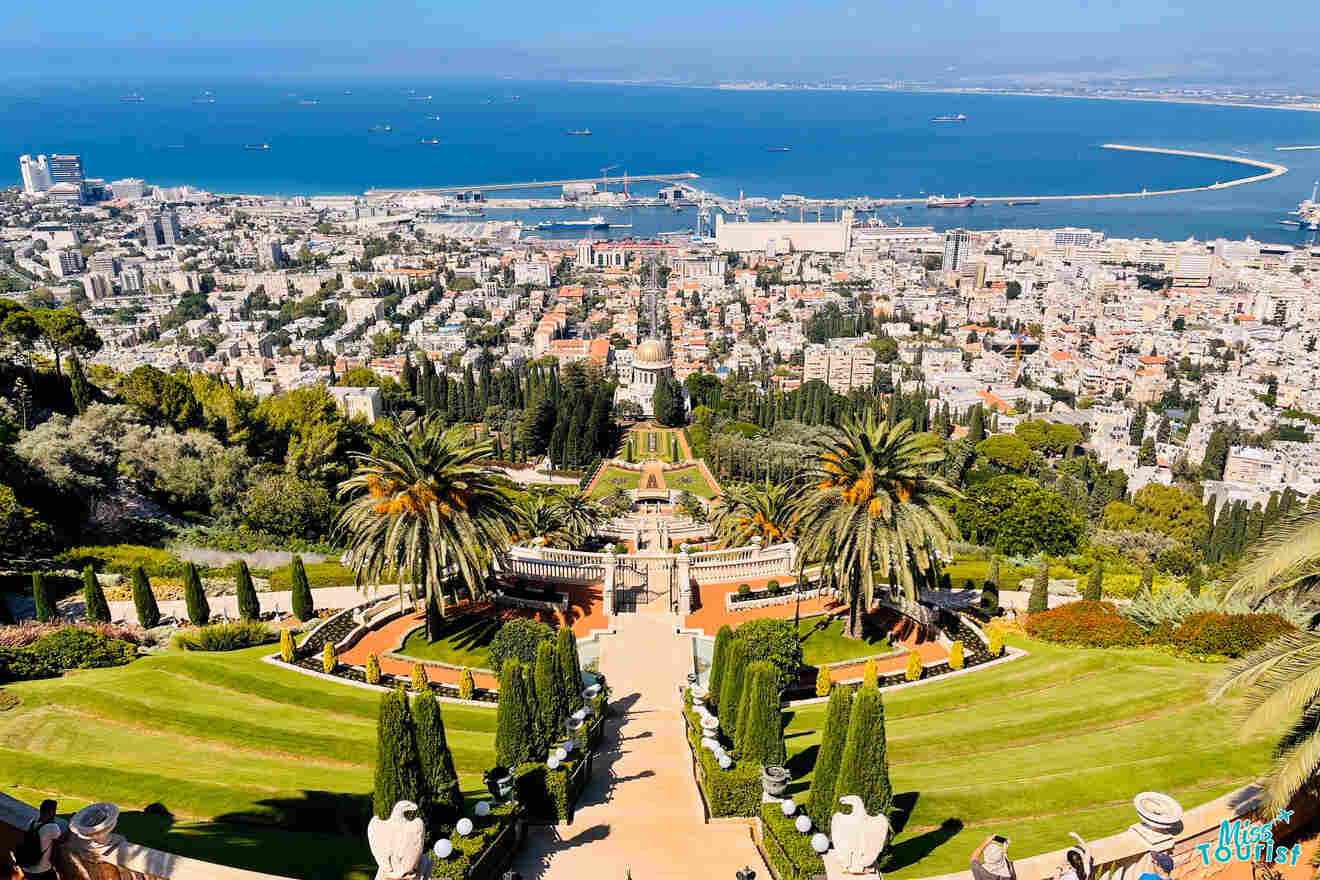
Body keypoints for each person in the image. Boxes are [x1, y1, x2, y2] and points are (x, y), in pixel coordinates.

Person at [14, 799, 61, 880]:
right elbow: (62, 840)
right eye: (54, 811)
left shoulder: (31, 823)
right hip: (41, 870)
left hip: (26, 867)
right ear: (51, 812)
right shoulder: (52, 827)